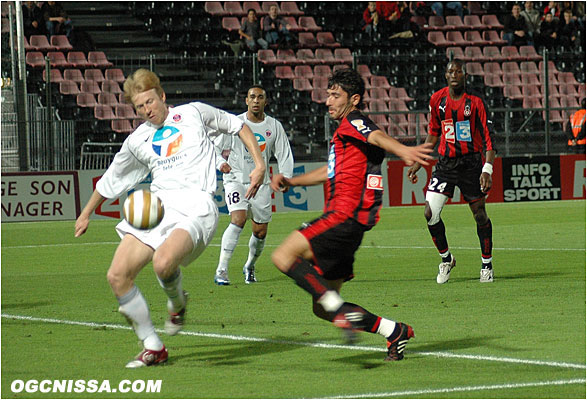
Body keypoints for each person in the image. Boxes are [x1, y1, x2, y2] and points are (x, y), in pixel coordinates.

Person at [74, 69, 265, 368]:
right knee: (117, 276)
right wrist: (85, 213)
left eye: (150, 101)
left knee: (163, 263)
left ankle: (177, 304)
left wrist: (259, 163)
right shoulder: (138, 140)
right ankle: (153, 345)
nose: (147, 110)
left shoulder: (194, 113)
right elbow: (113, 177)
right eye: (139, 107)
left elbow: (237, 125)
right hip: (158, 206)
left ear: (162, 96)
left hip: (197, 205)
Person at [270, 68, 433, 361]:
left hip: (341, 216)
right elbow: (329, 172)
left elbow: (379, 137)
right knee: (321, 308)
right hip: (352, 228)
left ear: (353, 99)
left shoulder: (354, 120)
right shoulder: (347, 134)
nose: (328, 101)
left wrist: (403, 151)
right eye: (328, 94)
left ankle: (335, 304)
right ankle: (393, 330)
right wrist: (293, 181)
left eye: (335, 95)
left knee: (283, 256)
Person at [407, 59, 496, 284]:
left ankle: (487, 264)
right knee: (430, 213)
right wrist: (419, 160)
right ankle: (446, 259)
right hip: (446, 165)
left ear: (464, 75)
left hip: (470, 164)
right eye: (450, 71)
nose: (454, 74)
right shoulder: (437, 100)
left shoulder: (475, 102)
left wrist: (487, 169)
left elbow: (488, 137)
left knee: (480, 215)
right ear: (445, 76)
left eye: (458, 71)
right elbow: (433, 133)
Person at [213, 85, 294, 285]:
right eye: (252, 97)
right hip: (235, 178)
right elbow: (215, 147)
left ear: (266, 101)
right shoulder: (235, 123)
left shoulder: (273, 126)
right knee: (238, 219)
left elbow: (284, 154)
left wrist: (286, 177)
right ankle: (221, 269)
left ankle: (249, 266)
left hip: (261, 183)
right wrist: (220, 163)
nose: (256, 100)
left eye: (260, 97)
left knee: (260, 231)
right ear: (246, 101)